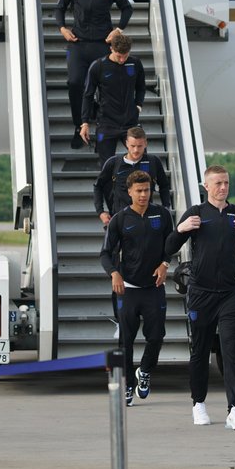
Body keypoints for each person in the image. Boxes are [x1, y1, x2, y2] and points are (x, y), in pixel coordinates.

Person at [166, 165, 235, 430]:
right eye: (217, 183)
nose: (223, 188)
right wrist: (181, 229)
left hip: (230, 293)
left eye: (226, 183)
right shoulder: (196, 214)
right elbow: (169, 246)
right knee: (200, 350)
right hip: (201, 294)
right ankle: (198, 403)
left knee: (231, 350)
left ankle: (234, 410)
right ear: (206, 186)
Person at [100, 171, 174, 406]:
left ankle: (144, 371)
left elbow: (170, 246)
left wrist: (165, 264)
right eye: (139, 191)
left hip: (153, 288)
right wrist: (114, 273)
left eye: (147, 190)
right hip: (128, 289)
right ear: (129, 192)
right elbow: (105, 253)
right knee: (126, 341)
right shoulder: (120, 219)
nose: (143, 195)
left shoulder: (162, 215)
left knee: (156, 337)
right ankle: (128, 386)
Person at [54, 0, 133, 148]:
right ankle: (79, 126)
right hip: (78, 44)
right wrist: (63, 28)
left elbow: (126, 8)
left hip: (101, 43)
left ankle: (105, 130)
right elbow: (59, 8)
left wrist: (118, 29)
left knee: (105, 86)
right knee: (75, 83)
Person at [80, 31, 145, 166]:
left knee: (141, 162)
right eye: (119, 56)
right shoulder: (98, 66)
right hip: (107, 123)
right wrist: (85, 122)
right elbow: (88, 95)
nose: (122, 60)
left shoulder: (135, 63)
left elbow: (141, 87)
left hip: (130, 122)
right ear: (111, 49)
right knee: (107, 166)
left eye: (125, 56)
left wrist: (138, 105)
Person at [93, 126, 171, 227]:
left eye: (140, 146)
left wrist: (166, 207)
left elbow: (164, 185)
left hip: (146, 220)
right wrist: (101, 212)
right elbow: (98, 186)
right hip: (120, 221)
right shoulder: (114, 163)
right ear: (126, 144)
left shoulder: (153, 161)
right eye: (132, 146)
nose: (136, 150)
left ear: (145, 144)